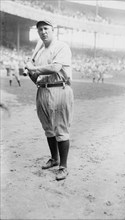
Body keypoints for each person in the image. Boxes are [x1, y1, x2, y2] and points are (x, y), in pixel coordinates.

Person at [25, 20, 74, 181]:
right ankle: (54, 159)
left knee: (60, 129)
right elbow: (36, 78)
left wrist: (34, 69)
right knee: (48, 128)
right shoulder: (39, 52)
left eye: (46, 28)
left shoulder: (61, 46)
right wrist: (30, 71)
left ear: (53, 30)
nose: (43, 32)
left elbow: (55, 68)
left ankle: (63, 167)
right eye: (40, 29)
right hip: (42, 90)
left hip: (59, 89)